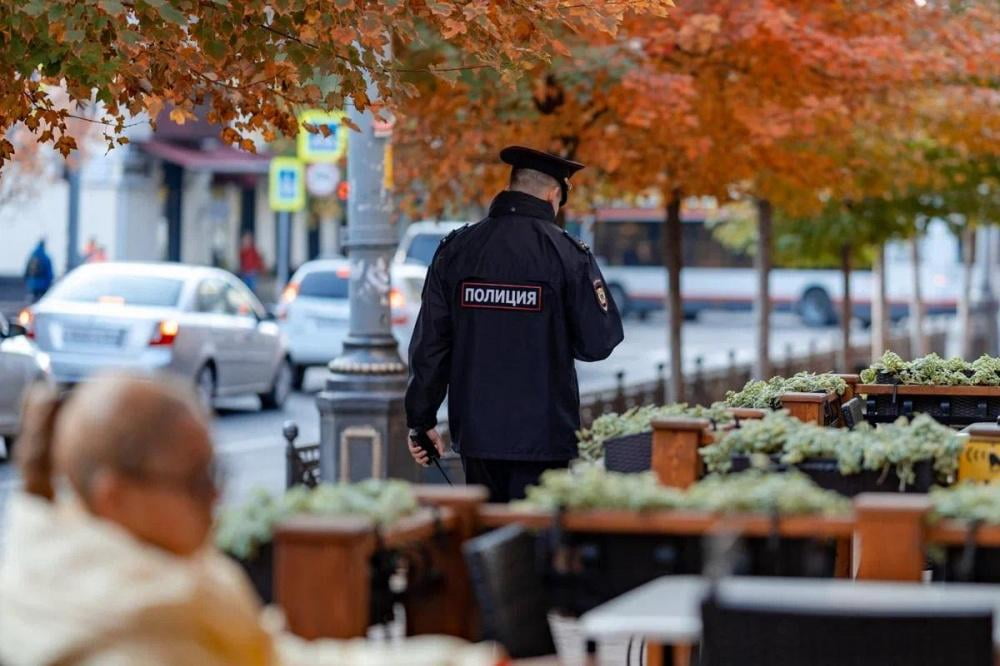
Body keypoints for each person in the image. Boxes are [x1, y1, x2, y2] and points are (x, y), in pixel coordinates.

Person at [0, 374, 499, 666]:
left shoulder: (131, 578)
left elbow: (274, 655)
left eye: (215, 471)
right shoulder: (135, 633)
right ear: (115, 497)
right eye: (197, 479)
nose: (217, 494)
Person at [405, 146, 625, 502]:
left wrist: (421, 420)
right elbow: (598, 343)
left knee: (487, 538)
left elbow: (430, 345)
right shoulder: (567, 254)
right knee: (536, 539)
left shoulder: (457, 250)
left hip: (478, 433)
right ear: (554, 194)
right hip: (545, 435)